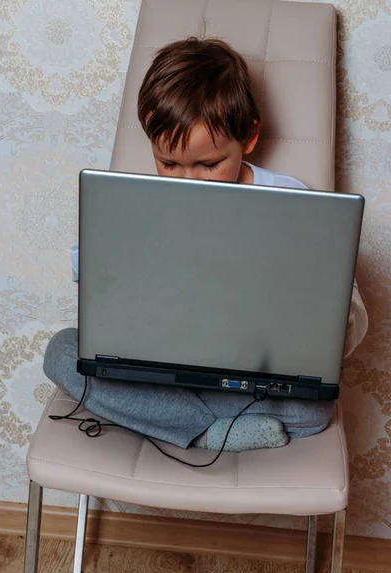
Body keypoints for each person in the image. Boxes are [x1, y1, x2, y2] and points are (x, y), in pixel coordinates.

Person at [44, 38, 368, 452]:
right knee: (61, 351)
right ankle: (206, 433)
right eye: (169, 164)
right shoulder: (134, 201)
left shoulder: (293, 199)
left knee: (314, 410)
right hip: (158, 366)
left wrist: (328, 319)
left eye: (208, 165)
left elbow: (349, 309)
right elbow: (96, 282)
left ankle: (171, 420)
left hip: (246, 378)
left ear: (249, 137)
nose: (186, 181)